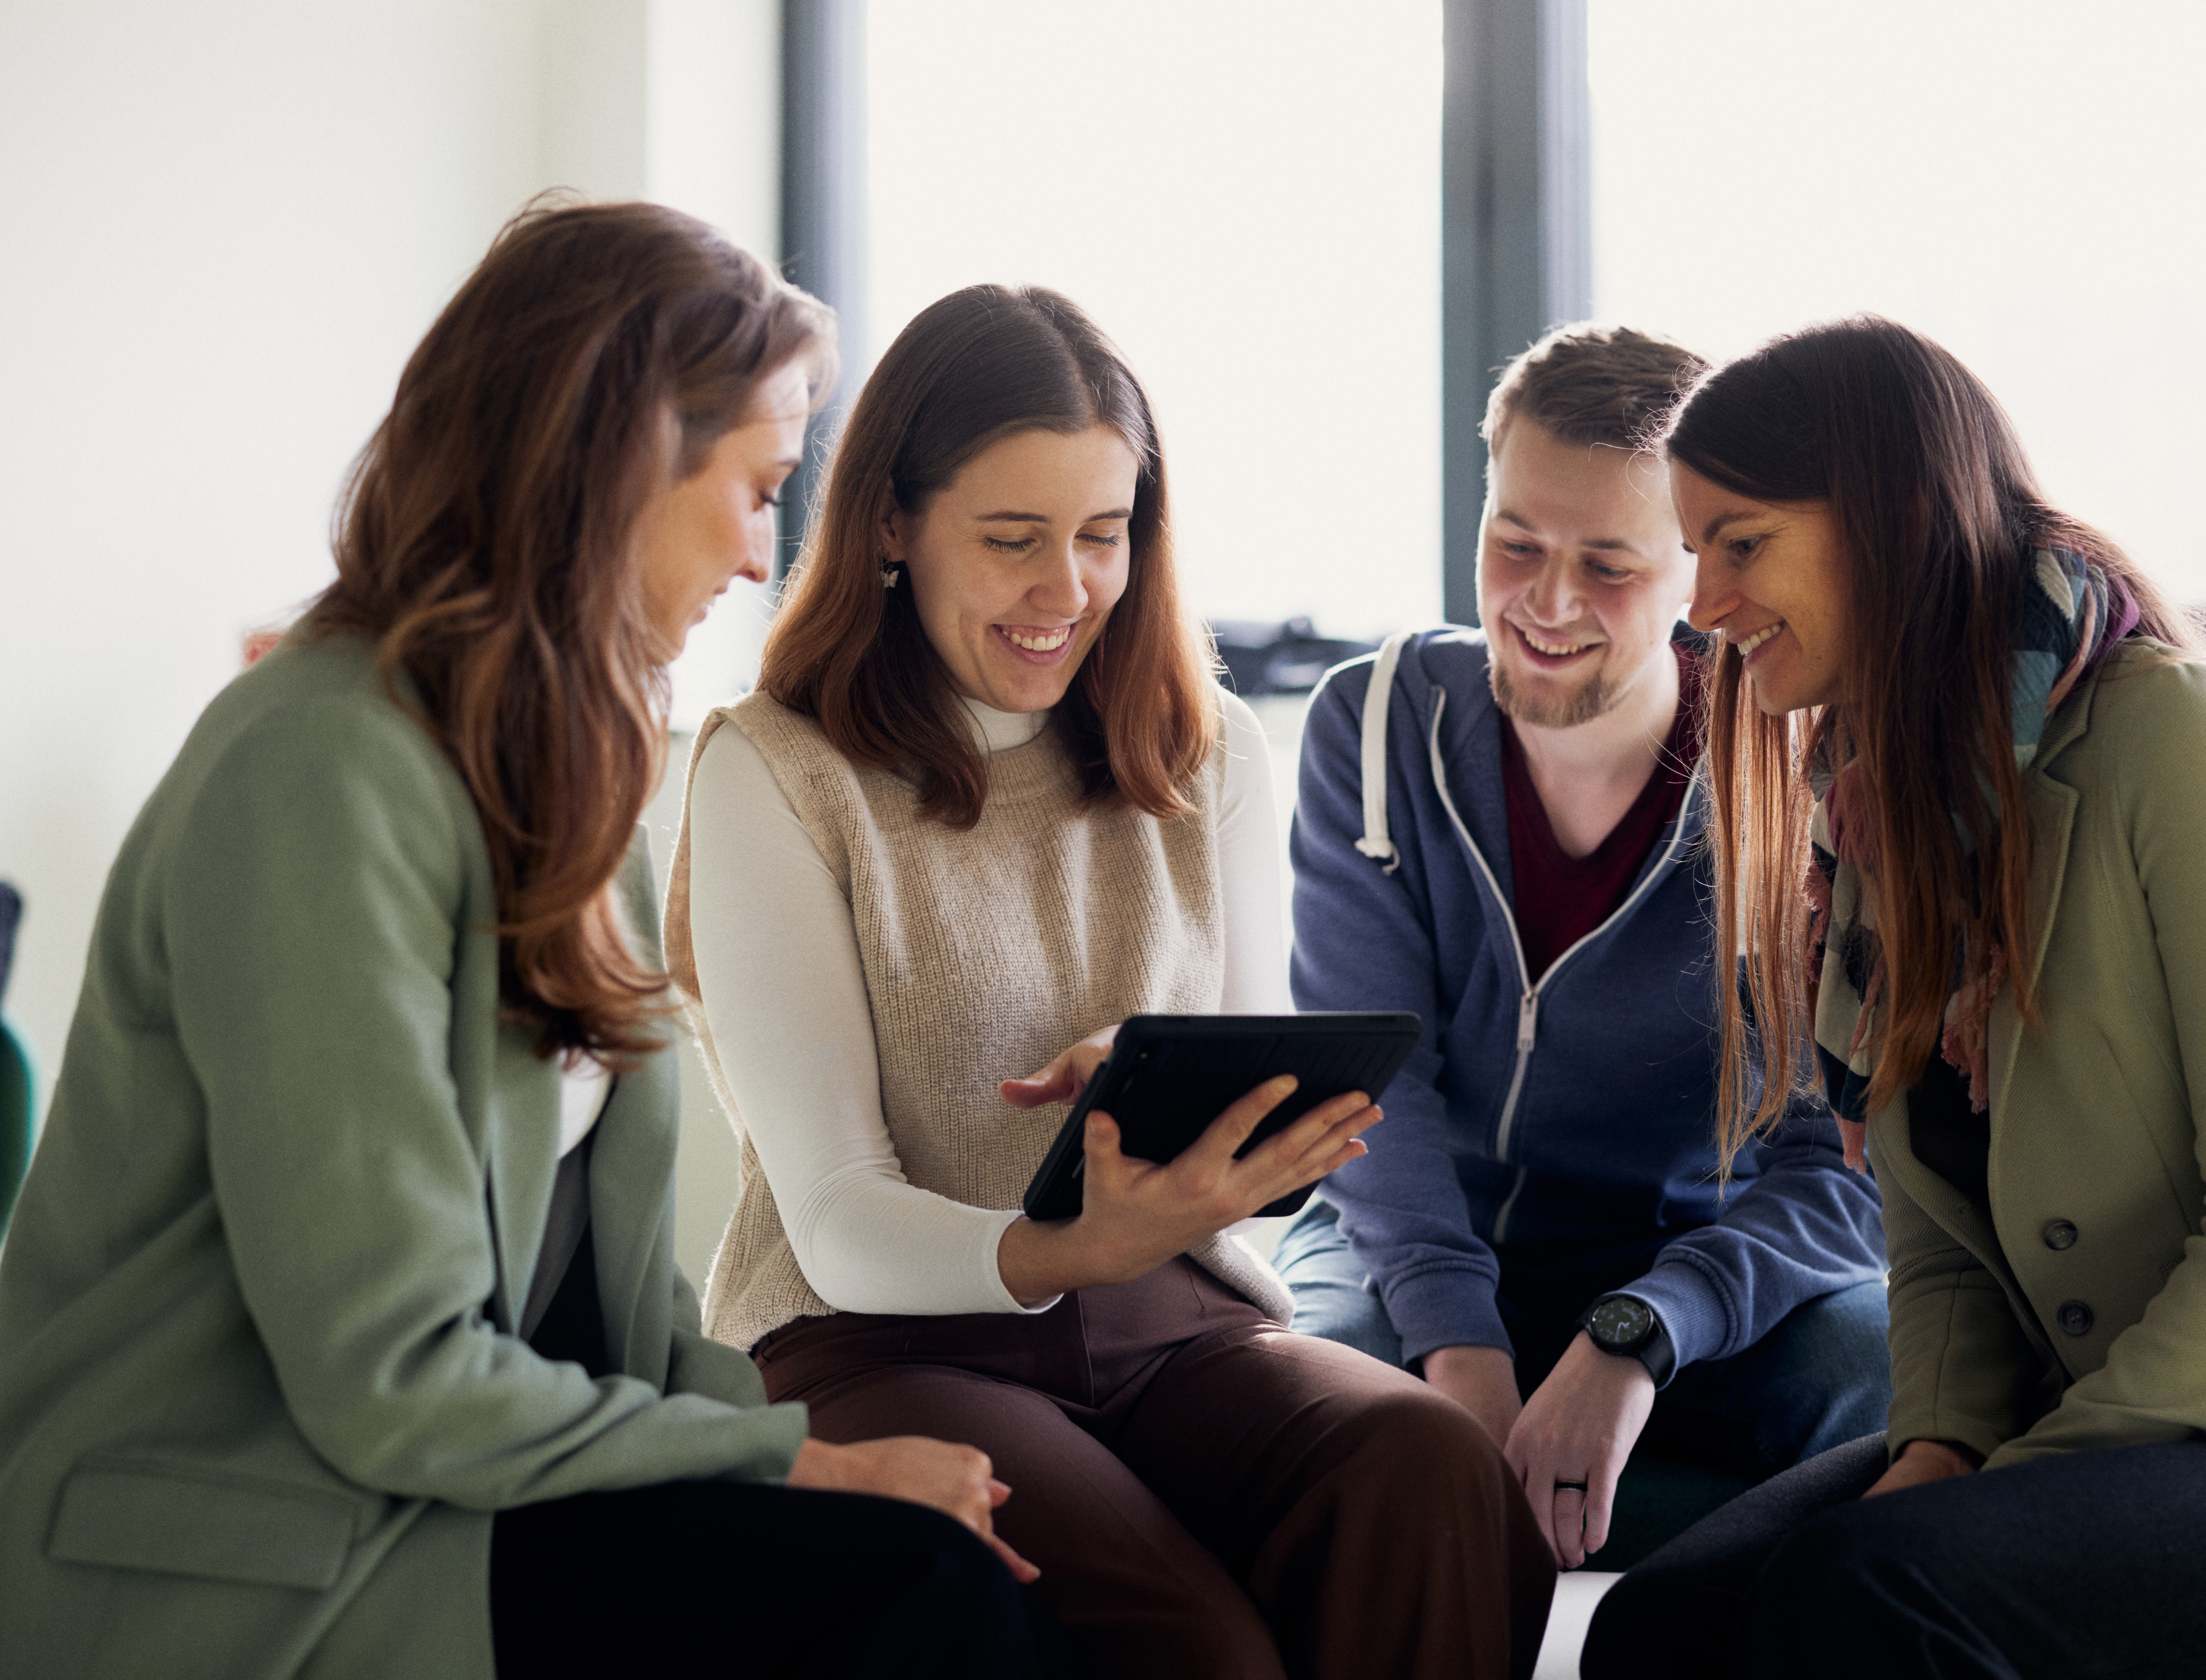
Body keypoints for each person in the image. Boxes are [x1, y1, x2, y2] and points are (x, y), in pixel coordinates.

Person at [0, 201, 1067, 1680]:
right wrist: (805, 1465)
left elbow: (621, 1308)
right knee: (905, 1592)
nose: (758, 556)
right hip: (205, 1548)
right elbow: (392, 1371)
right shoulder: (321, 769)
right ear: (614, 468)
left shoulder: (553, 767)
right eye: (760, 487)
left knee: (957, 1565)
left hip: (408, 1499)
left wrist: (819, 1447)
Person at [1583, 316, 2206, 1680]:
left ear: (1890, 520)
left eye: (1741, 544)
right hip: (2096, 1436)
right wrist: (1940, 1451)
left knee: (1873, 1593)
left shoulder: (2179, 739)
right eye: (1695, 554)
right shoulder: (1873, 818)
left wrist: (2020, 1479)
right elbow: (1945, 1250)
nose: (1703, 608)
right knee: (1658, 1629)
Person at [667, 283, 1558, 1680]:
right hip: (881, 1345)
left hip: (1178, 1323)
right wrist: (1062, 1251)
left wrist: (1192, 1119)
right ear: (891, 526)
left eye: (1103, 536)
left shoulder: (1207, 757)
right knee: (1191, 1647)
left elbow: (1276, 1149)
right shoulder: (775, 771)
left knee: (1426, 1467)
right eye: (1013, 539)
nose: (1067, 590)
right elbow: (836, 1217)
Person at [1276, 322, 1891, 1572]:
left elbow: (1836, 1165)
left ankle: (1621, 1551)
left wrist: (1636, 1338)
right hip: (1403, 1251)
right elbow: (1368, 1093)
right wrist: (1462, 1345)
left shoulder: (1799, 769)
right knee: (1292, 1407)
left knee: (1886, 1376)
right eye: (1514, 546)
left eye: (1607, 564)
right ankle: (1576, 1529)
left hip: (1688, 1273)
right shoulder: (1374, 720)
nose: (1546, 605)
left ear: (1696, 579)